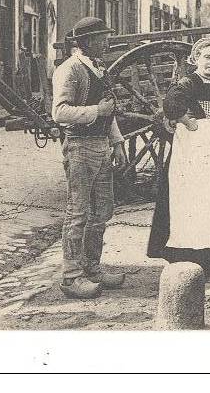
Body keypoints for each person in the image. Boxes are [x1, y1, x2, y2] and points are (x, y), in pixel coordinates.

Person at [147, 38, 210, 273]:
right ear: (196, 60)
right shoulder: (188, 83)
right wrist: (185, 120)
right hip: (195, 147)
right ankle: (191, 253)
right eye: (207, 57)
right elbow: (171, 103)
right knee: (195, 198)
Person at [51, 16, 127, 299]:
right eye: (101, 38)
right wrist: (98, 111)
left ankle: (92, 268)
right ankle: (71, 278)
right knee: (78, 213)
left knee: (102, 212)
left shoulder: (99, 68)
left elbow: (111, 108)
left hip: (101, 147)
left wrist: (117, 142)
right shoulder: (69, 70)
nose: (106, 42)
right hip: (79, 147)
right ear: (87, 43)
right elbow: (59, 113)